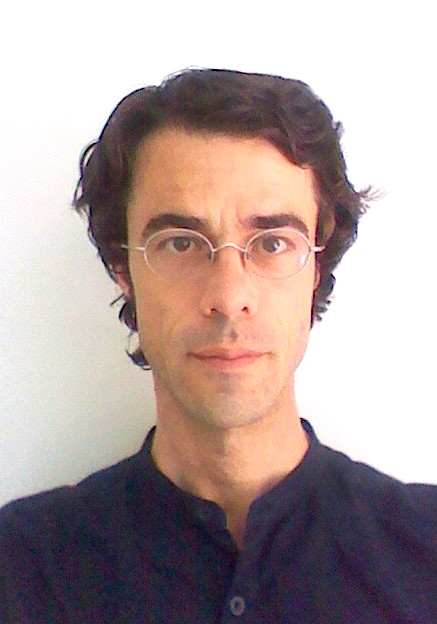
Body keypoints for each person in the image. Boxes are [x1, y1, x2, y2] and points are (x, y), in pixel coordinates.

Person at [0, 68, 435, 624]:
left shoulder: (425, 552)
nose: (229, 298)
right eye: (181, 243)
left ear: (317, 265)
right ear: (123, 268)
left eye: (272, 243)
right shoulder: (22, 568)